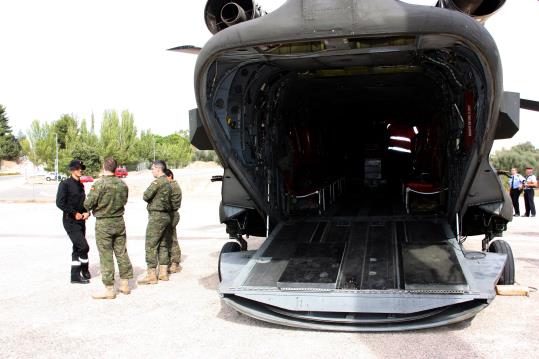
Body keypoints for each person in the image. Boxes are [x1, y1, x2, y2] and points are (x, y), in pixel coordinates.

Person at [84, 157, 133, 299]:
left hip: (104, 223)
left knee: (106, 256)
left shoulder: (99, 184)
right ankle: (125, 284)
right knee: (121, 252)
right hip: (119, 221)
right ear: (115, 168)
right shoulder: (122, 184)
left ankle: (109, 289)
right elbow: (124, 201)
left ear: (103, 166)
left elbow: (88, 203)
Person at [138, 160, 173, 284]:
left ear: (158, 169)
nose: (152, 171)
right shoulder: (169, 183)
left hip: (156, 216)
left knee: (151, 245)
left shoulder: (157, 182)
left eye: (153, 169)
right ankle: (163, 273)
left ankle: (151, 275)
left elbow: (146, 196)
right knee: (163, 243)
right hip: (166, 216)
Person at [56, 159, 91, 284]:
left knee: (77, 247)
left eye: (81, 168)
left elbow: (83, 203)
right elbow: (59, 203)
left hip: (81, 220)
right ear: (71, 170)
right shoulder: (65, 184)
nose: (80, 170)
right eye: (77, 168)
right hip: (70, 220)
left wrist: (87, 212)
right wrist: (73, 213)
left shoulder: (81, 184)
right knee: (83, 246)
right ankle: (84, 269)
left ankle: (75, 276)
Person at [165, 169, 182, 273]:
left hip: (172, 214)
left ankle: (175, 263)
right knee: (169, 238)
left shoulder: (172, 186)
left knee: (172, 238)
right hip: (170, 214)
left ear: (170, 176)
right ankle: (171, 262)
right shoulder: (171, 185)